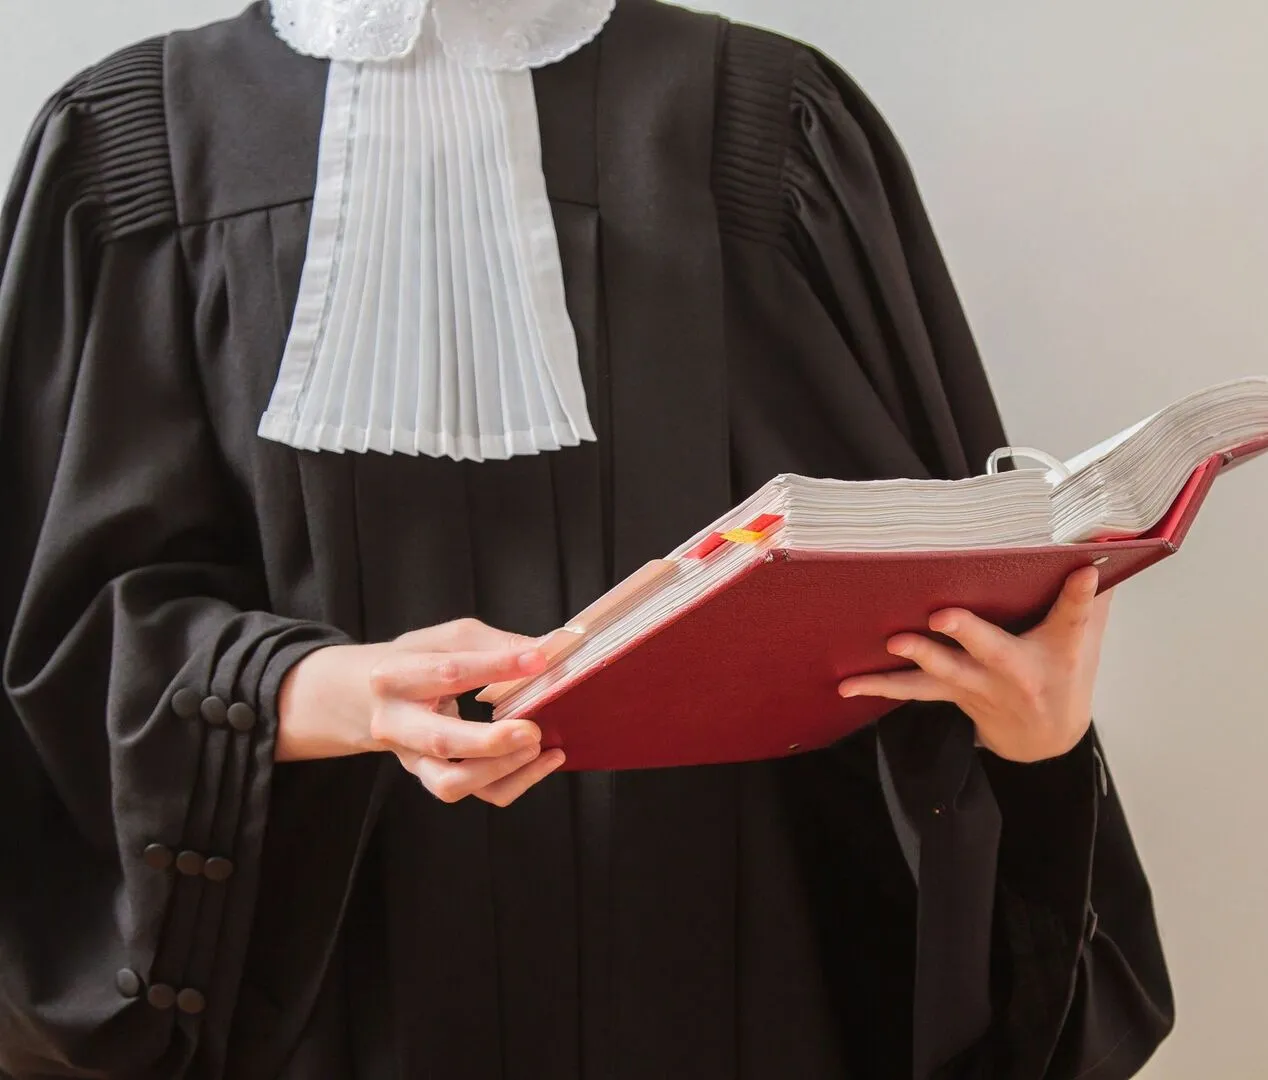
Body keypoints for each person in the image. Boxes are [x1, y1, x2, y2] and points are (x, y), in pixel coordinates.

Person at [0, 1, 1174, 1077]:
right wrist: (321, 690)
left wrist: (1032, 733)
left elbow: (933, 575)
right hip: (321, 991)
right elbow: (51, 640)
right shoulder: (131, 147)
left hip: (732, 987)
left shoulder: (775, 129)